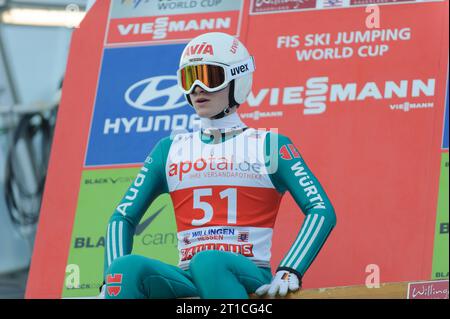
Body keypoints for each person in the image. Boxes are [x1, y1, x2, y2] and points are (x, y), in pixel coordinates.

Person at [101, 32, 336, 299]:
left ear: (238, 80)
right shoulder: (169, 149)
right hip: (187, 275)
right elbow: (122, 217)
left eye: (211, 77)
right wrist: (109, 284)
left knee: (209, 261)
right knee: (124, 268)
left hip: (244, 273)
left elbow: (321, 209)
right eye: (190, 78)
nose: (198, 88)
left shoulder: (270, 145)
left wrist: (290, 269)